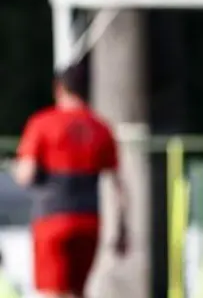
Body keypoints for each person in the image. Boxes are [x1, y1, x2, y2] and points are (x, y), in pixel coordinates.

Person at [14, 62, 128, 298]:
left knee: (53, 292)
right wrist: (122, 228)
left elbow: (26, 174)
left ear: (58, 88)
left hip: (52, 219)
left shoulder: (42, 123)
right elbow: (119, 185)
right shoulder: (101, 127)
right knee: (78, 292)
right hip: (89, 221)